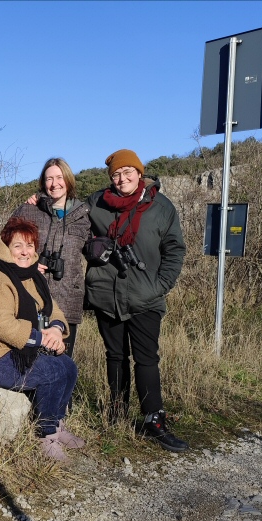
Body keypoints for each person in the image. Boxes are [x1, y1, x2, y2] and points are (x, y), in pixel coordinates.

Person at [84, 149, 188, 452]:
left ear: (139, 174)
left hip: (145, 297)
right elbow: (69, 220)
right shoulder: (97, 203)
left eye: (128, 172)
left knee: (146, 358)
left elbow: (175, 250)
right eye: (116, 174)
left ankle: (154, 421)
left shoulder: (160, 207)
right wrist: (37, 202)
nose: (122, 178)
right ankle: (117, 415)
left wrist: (160, 286)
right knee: (115, 356)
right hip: (106, 294)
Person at [0, 218, 83, 461]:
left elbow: (54, 311)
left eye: (30, 246)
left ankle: (56, 423)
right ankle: (46, 435)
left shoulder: (32, 277)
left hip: (17, 349)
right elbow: (2, 326)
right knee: (52, 372)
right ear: (5, 248)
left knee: (68, 367)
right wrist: (41, 338)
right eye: (18, 246)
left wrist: (56, 330)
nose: (25, 252)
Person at [14, 158, 92, 356]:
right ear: (43, 183)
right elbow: (4, 246)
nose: (54, 183)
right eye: (49, 179)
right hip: (31, 296)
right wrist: (28, 265)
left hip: (68, 301)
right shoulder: (29, 210)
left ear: (68, 180)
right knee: (29, 362)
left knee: (62, 364)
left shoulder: (84, 216)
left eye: (59, 177)